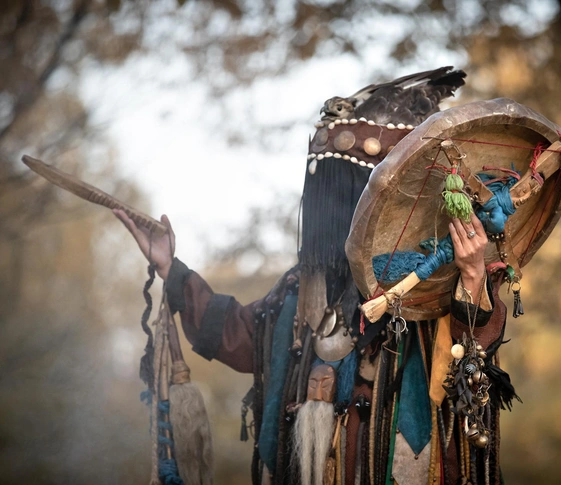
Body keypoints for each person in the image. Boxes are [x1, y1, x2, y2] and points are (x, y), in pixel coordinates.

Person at [114, 67, 516, 485]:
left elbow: (473, 372)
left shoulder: (435, 286)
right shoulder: (300, 292)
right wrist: (171, 270)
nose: (332, 211)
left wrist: (471, 276)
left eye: (345, 190)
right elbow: (238, 332)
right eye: (326, 190)